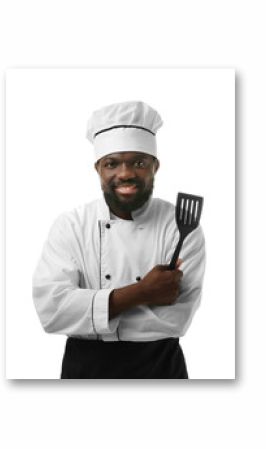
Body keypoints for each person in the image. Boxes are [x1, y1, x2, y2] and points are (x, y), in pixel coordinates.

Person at [32, 100, 205, 379]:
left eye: (139, 162)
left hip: (160, 366)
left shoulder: (181, 225)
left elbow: (176, 320)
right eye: (112, 163)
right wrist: (143, 293)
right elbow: (51, 311)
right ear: (98, 169)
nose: (125, 173)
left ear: (155, 167)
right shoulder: (71, 226)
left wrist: (89, 312)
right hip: (85, 369)